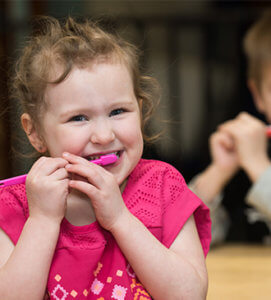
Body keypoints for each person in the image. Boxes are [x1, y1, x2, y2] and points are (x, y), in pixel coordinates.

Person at [0, 16, 211, 299]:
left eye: (118, 111)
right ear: (35, 132)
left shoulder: (165, 188)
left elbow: (189, 295)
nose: (103, 135)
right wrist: (43, 220)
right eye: (78, 118)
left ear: (141, 110)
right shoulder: (13, 206)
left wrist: (120, 219)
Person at [189, 10, 271, 246]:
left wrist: (258, 166)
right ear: (258, 95)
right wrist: (218, 173)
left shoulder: (254, 159)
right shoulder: (248, 150)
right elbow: (181, 239)